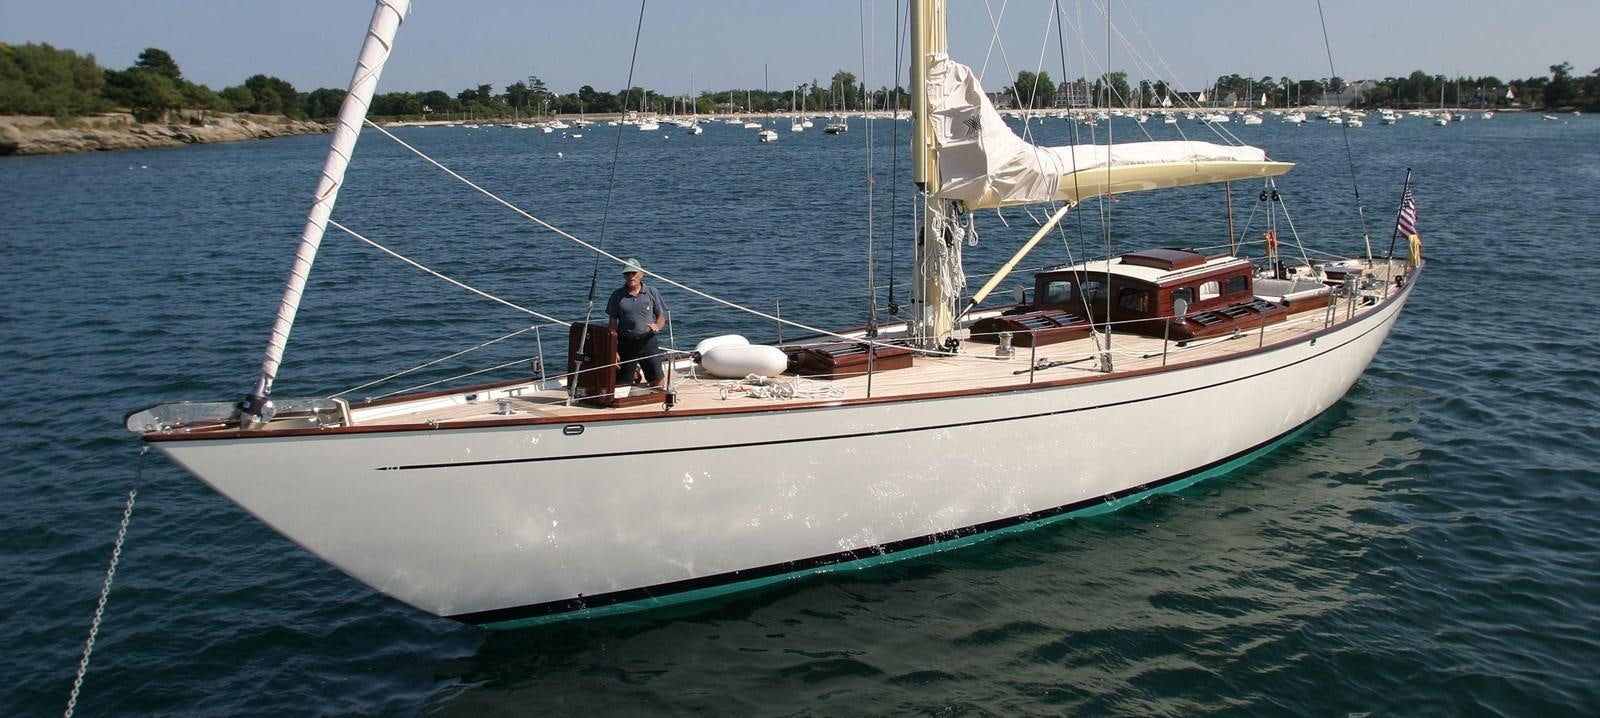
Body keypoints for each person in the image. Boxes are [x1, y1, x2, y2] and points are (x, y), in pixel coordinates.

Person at [605, 257, 668, 388]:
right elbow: (612, 324)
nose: (630, 276)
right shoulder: (617, 295)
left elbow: (661, 316)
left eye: (633, 273)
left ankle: (637, 371)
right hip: (626, 343)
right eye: (627, 274)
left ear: (641, 273)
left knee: (659, 385)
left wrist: (657, 326)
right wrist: (613, 349)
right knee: (621, 386)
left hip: (648, 341)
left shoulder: (652, 292)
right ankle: (634, 372)